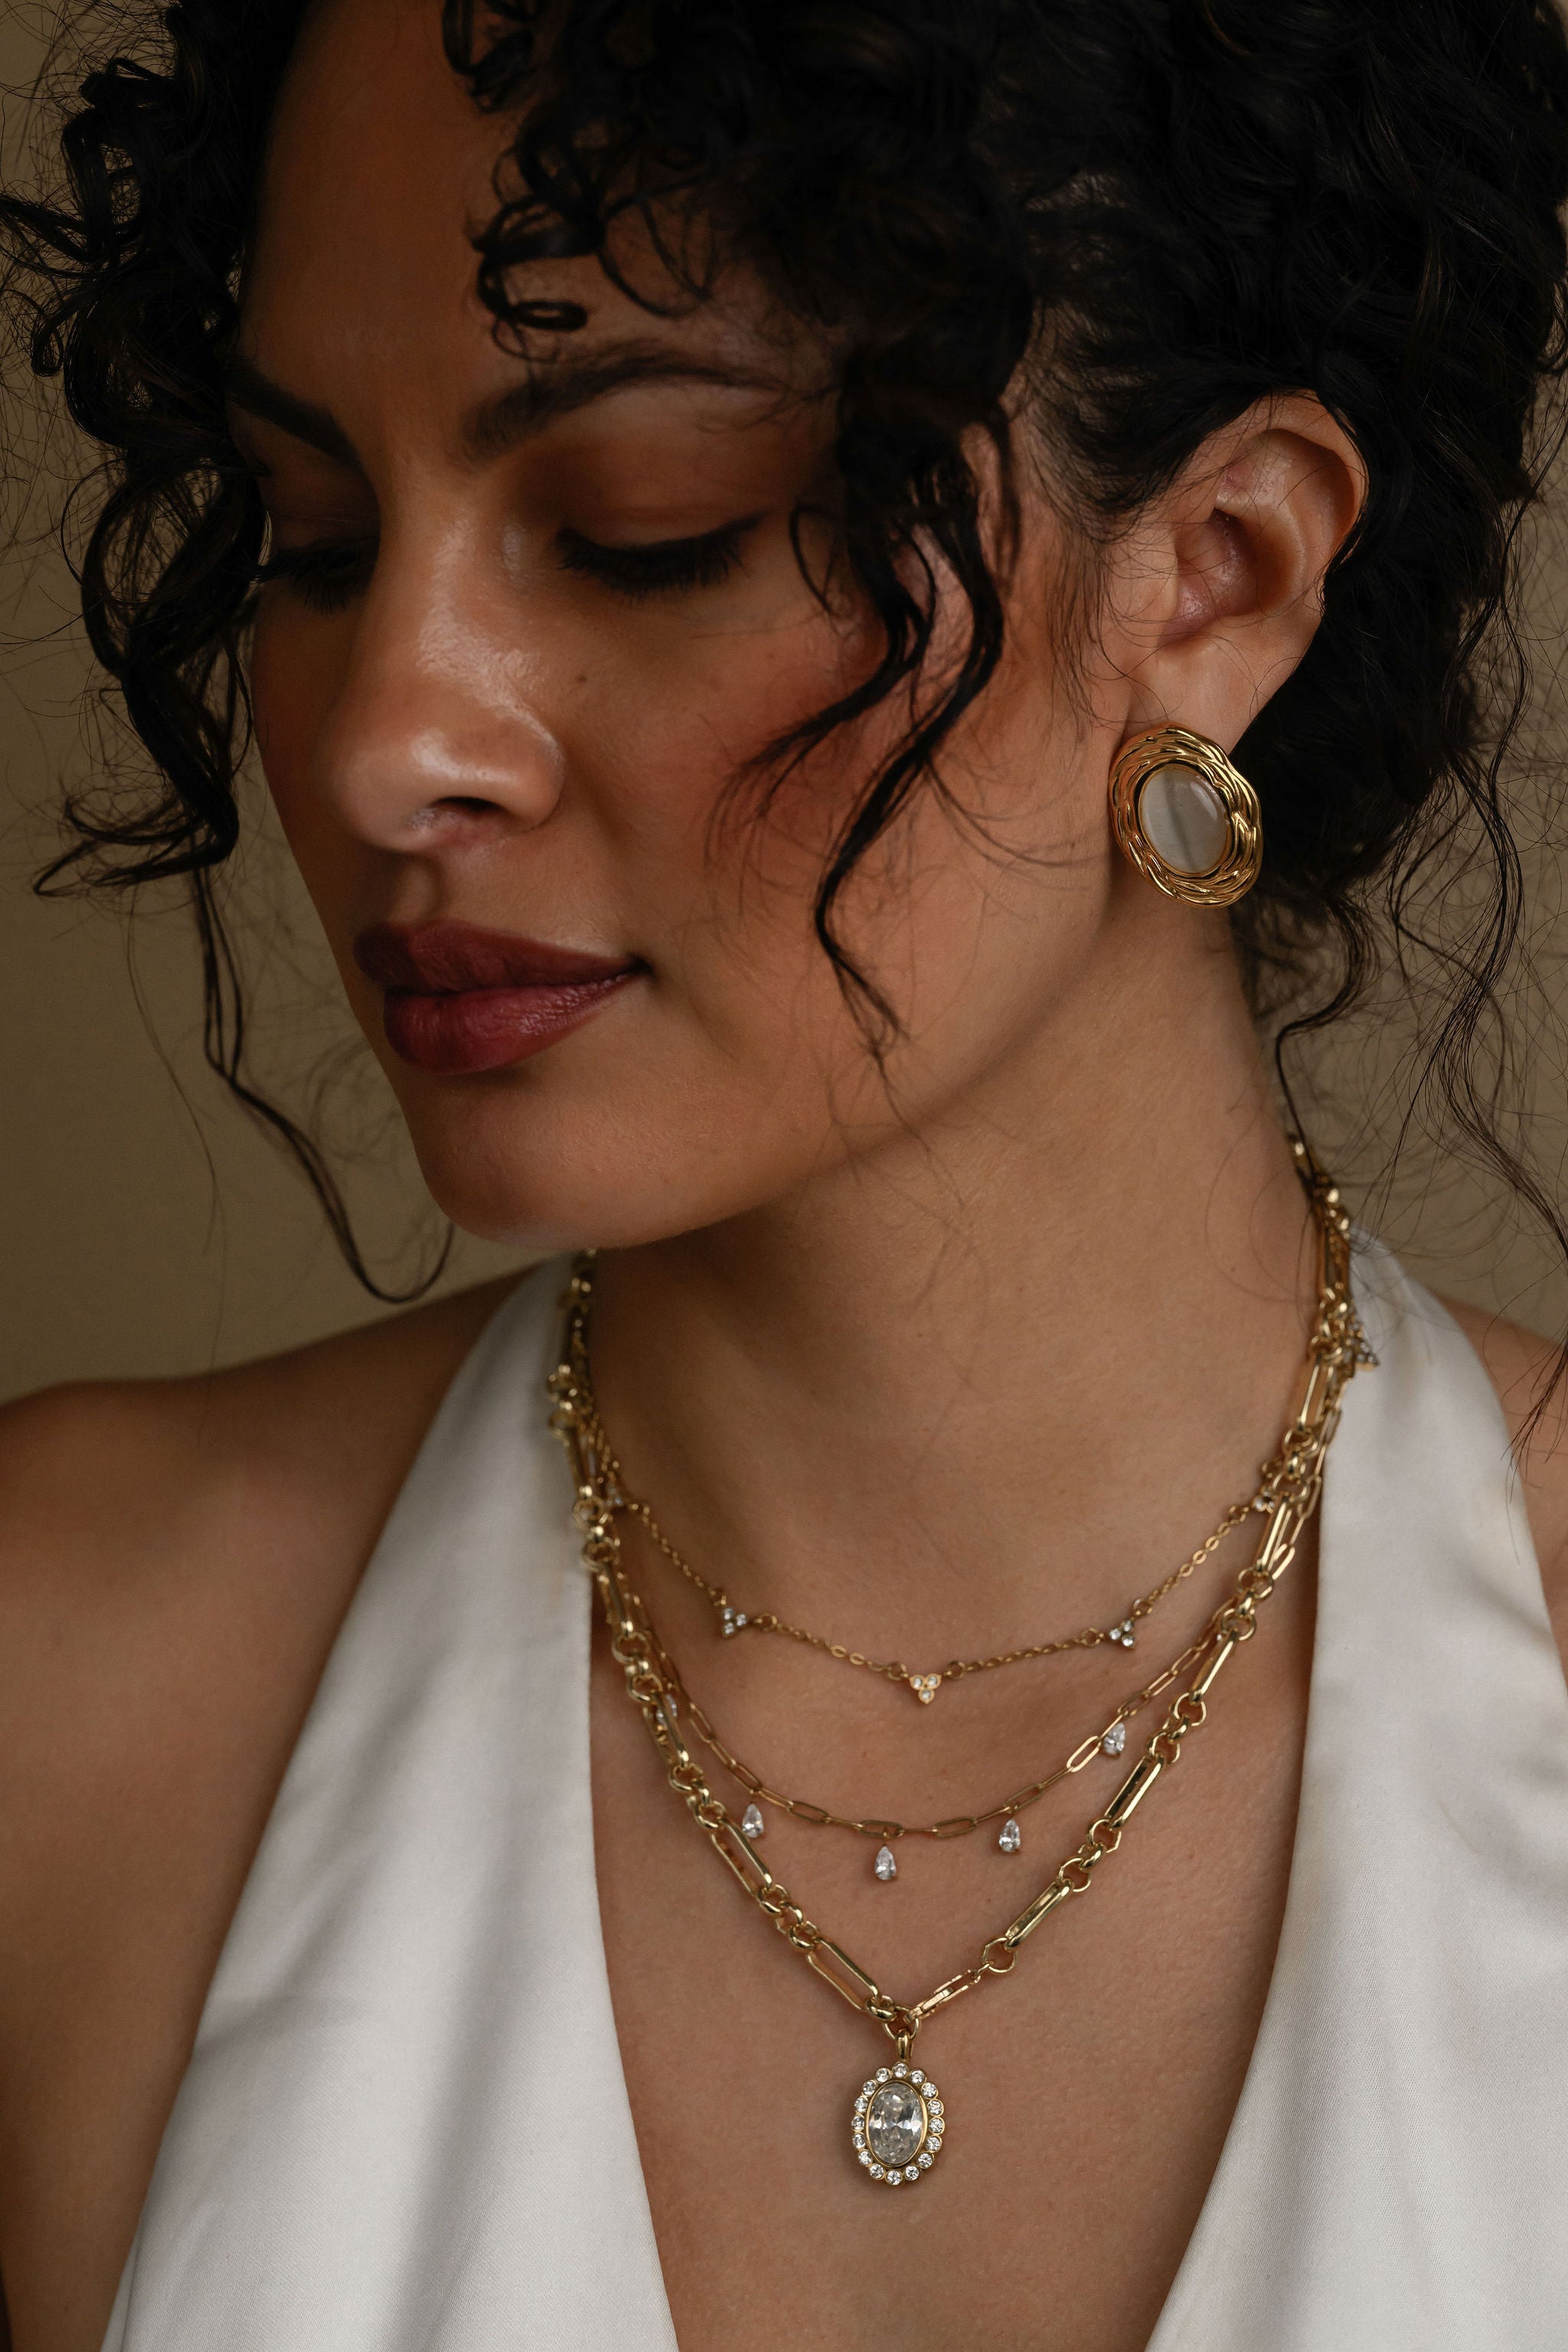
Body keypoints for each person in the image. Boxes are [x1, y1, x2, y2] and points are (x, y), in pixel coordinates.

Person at [4, 1, 1568, 2345]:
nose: (390, 739)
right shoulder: (67, 1694)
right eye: (318, 541)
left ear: (1222, 577)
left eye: (646, 533)